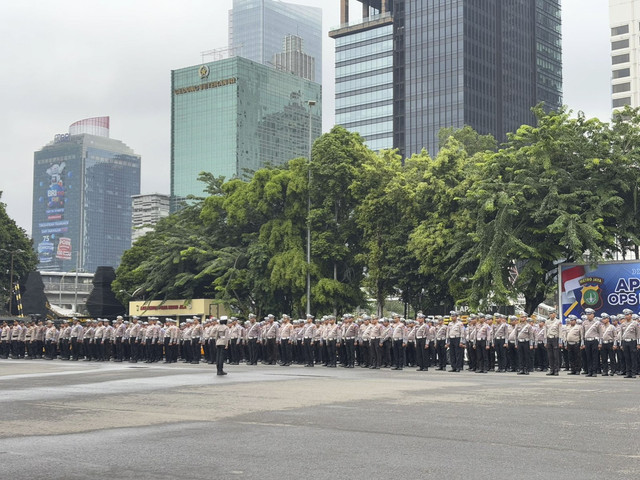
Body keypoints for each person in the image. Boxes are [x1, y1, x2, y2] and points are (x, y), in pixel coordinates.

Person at [581, 308, 601, 377]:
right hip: (587, 341)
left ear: (593, 315)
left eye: (590, 314)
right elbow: (582, 334)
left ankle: (594, 371)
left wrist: (600, 343)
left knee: (594, 356)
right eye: (587, 314)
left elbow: (600, 333)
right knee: (588, 357)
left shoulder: (597, 323)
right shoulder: (584, 323)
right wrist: (582, 343)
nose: (588, 316)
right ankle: (589, 371)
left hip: (594, 340)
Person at [545, 311, 561, 376]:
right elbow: (545, 332)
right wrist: (545, 341)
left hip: (555, 338)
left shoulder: (558, 322)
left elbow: (560, 332)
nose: (550, 315)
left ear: (555, 314)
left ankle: (556, 370)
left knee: (555, 355)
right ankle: (551, 369)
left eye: (552, 313)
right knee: (550, 355)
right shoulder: (547, 322)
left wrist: (560, 342)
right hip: (549, 338)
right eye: (550, 313)